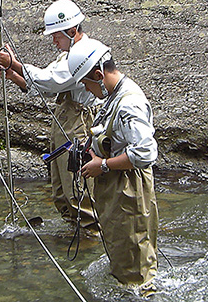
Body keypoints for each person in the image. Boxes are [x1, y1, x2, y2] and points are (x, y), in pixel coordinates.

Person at [0, 0, 99, 232]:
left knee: (77, 186)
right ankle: (74, 231)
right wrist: (14, 75)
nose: (53, 41)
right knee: (60, 187)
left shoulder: (83, 54)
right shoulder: (68, 53)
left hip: (79, 125)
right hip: (65, 122)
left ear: (71, 31)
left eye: (56, 35)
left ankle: (90, 235)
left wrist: (16, 64)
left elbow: (53, 79)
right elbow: (50, 87)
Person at [68, 37, 160, 296]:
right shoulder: (113, 95)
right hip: (116, 191)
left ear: (98, 75)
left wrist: (104, 165)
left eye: (86, 83)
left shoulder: (129, 103)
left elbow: (145, 153)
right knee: (123, 256)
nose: (87, 90)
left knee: (135, 265)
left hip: (129, 191)